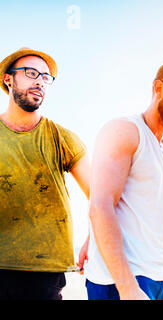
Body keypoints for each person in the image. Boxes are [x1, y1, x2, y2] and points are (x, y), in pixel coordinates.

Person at [83, 60, 163, 300]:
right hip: (118, 282)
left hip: (158, 278)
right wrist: (127, 288)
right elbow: (101, 206)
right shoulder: (124, 131)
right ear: (158, 89)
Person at [0, 48, 90, 300]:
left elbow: (102, 195)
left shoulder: (63, 138)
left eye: (46, 77)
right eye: (31, 73)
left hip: (45, 274)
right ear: (9, 79)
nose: (40, 80)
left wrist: (93, 239)